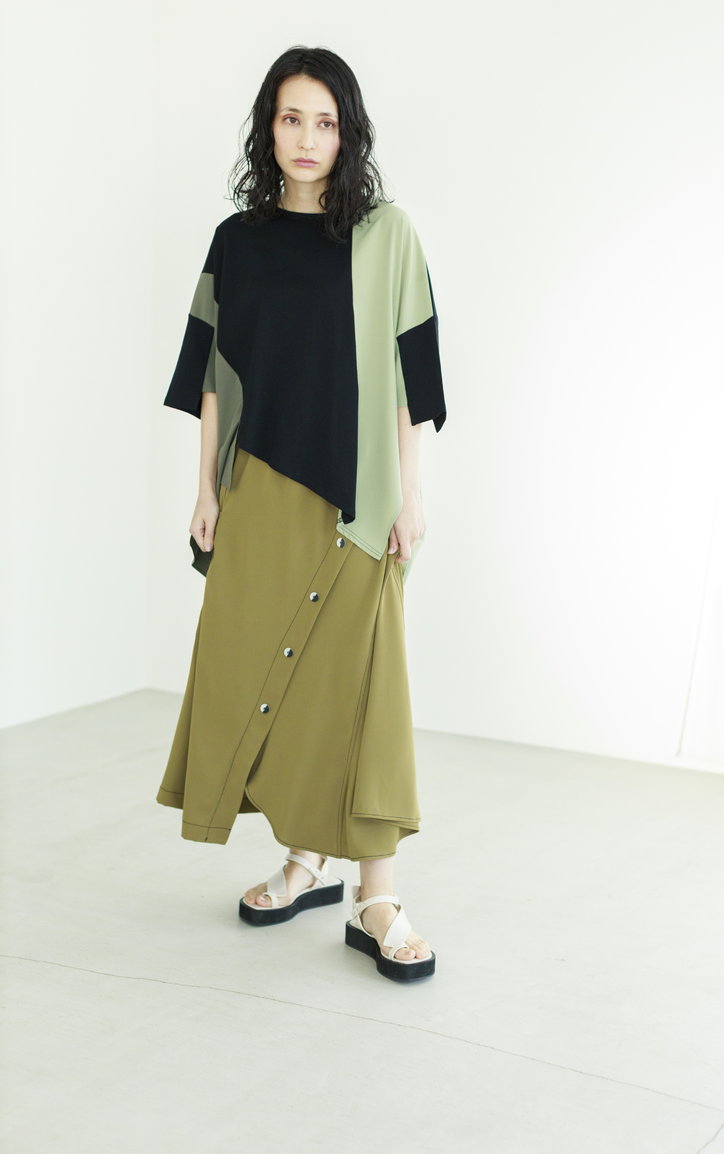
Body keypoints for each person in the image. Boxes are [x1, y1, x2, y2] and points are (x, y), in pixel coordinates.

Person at [155, 46, 447, 983]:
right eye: (291, 118)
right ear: (267, 128)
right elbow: (213, 377)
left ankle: (377, 896)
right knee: (268, 677)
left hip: (358, 500)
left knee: (363, 691)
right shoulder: (236, 242)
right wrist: (205, 490)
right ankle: (306, 861)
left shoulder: (386, 234)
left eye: (326, 121)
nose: (307, 138)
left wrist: (410, 494)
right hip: (260, 494)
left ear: (348, 132)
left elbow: (411, 378)